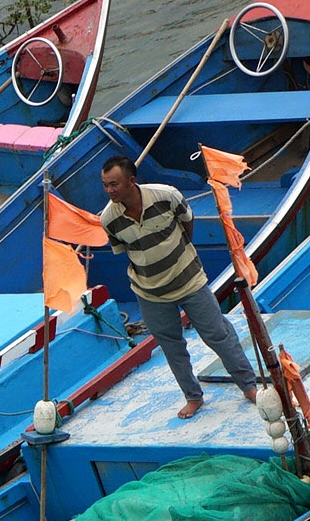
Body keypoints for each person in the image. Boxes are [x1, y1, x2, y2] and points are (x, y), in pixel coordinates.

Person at [99, 155, 261, 420]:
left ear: (131, 180)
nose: (109, 190)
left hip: (190, 281)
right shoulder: (109, 219)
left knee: (217, 334)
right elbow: (123, 249)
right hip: (150, 292)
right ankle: (193, 397)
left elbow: (187, 222)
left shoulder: (167, 196)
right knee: (171, 346)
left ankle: (248, 385)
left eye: (114, 184)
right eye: (105, 185)